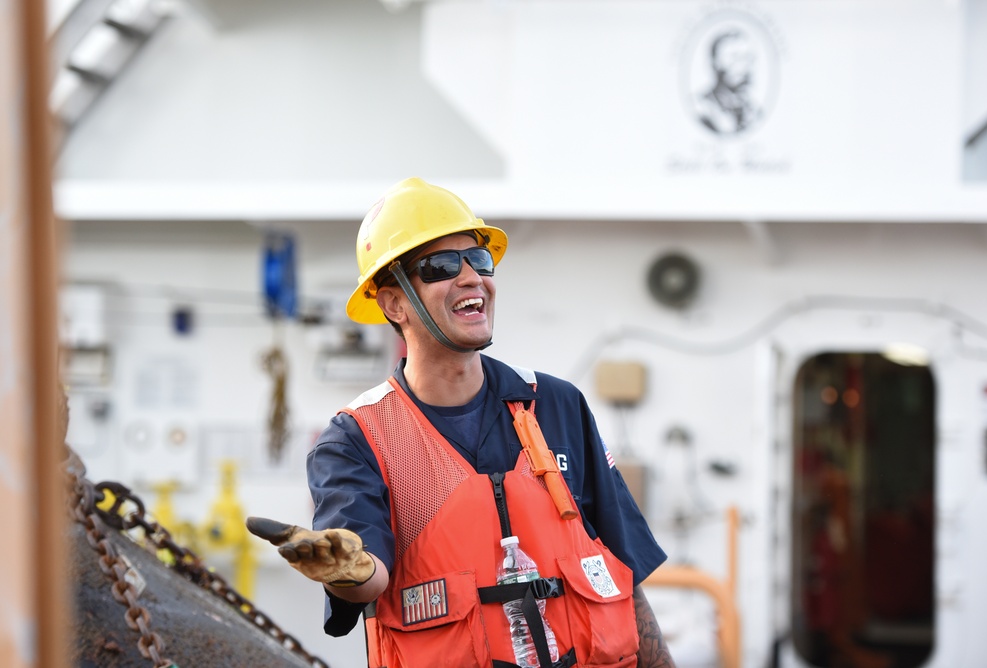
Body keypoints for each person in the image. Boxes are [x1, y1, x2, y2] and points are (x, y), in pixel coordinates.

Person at [247, 177, 675, 668]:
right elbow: (369, 575)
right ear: (393, 303)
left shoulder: (557, 405)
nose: (472, 277)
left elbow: (624, 571)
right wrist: (346, 569)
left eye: (480, 260)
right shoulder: (357, 440)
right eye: (442, 266)